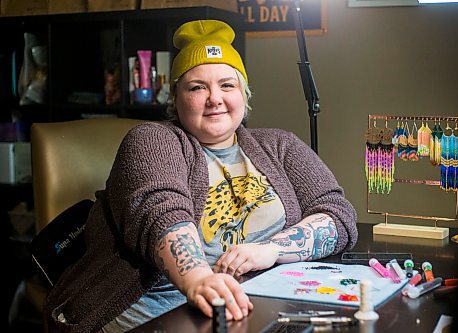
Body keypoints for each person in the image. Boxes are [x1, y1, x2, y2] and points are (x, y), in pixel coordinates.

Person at [45, 19, 358, 333]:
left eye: (227, 84)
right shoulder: (152, 140)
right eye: (197, 87)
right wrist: (198, 279)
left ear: (244, 95)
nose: (215, 98)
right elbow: (161, 213)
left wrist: (270, 250)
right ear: (176, 98)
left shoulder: (281, 145)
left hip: (254, 308)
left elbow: (338, 215)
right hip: (157, 312)